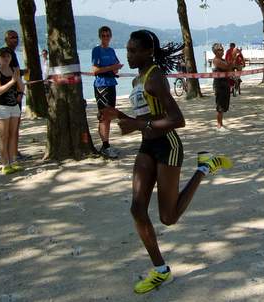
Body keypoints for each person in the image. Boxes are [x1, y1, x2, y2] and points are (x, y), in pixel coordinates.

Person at [101, 30, 233, 294]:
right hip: (148, 145)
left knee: (168, 217)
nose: (129, 54)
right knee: (137, 209)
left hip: (168, 146)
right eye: (127, 50)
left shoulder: (156, 78)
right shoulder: (138, 79)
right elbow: (147, 119)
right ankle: (161, 271)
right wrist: (119, 115)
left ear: (148, 52)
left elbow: (177, 120)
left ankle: (204, 167)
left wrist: (136, 123)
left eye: (133, 50)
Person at [91, 26, 124, 159]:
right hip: (101, 85)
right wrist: (111, 68)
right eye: (103, 36)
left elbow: (116, 67)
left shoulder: (111, 50)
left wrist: (116, 69)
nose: (105, 38)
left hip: (111, 84)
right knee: (104, 116)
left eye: (107, 35)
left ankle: (107, 145)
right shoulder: (96, 50)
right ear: (100, 37)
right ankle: (105, 146)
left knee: (110, 116)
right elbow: (95, 70)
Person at [0, 47, 25, 175]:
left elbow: (21, 86)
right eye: (3, 56)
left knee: (13, 134)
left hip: (14, 105)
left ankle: (13, 161)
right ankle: (5, 163)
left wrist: (20, 91)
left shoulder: (13, 70)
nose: (6, 59)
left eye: (8, 56)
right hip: (2, 106)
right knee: (3, 135)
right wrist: (12, 81)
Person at [1, 30, 26, 161]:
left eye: (16, 37)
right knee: (11, 126)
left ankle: (11, 151)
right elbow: (13, 73)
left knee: (12, 125)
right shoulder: (7, 52)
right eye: (12, 38)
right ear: (6, 39)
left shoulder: (12, 53)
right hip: (10, 94)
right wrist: (23, 72)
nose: (15, 40)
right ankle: (12, 152)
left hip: (13, 92)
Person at [212, 43, 236, 129]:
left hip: (225, 83)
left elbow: (230, 67)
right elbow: (226, 67)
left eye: (222, 49)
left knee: (224, 104)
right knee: (220, 105)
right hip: (219, 84)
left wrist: (233, 60)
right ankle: (219, 125)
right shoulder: (216, 60)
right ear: (215, 51)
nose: (221, 51)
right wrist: (233, 56)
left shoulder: (222, 59)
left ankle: (221, 124)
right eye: (219, 49)